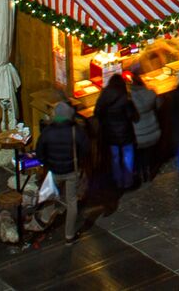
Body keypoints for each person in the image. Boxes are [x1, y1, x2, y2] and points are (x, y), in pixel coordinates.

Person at [34, 100, 88, 242]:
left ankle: (44, 220)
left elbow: (39, 153)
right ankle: (69, 235)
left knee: (50, 194)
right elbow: (85, 150)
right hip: (72, 171)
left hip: (54, 171)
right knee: (71, 202)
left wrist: (47, 163)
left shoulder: (48, 132)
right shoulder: (76, 131)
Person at [95, 74, 138, 189]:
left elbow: (97, 112)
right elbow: (133, 116)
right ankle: (128, 181)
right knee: (128, 155)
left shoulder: (104, 95)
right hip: (125, 133)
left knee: (115, 157)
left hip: (110, 133)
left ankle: (118, 181)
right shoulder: (125, 97)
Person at [128, 70, 162, 183]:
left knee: (140, 154)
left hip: (138, 135)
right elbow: (159, 105)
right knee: (149, 153)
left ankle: (141, 173)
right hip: (153, 132)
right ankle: (148, 171)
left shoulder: (130, 99)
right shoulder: (150, 93)